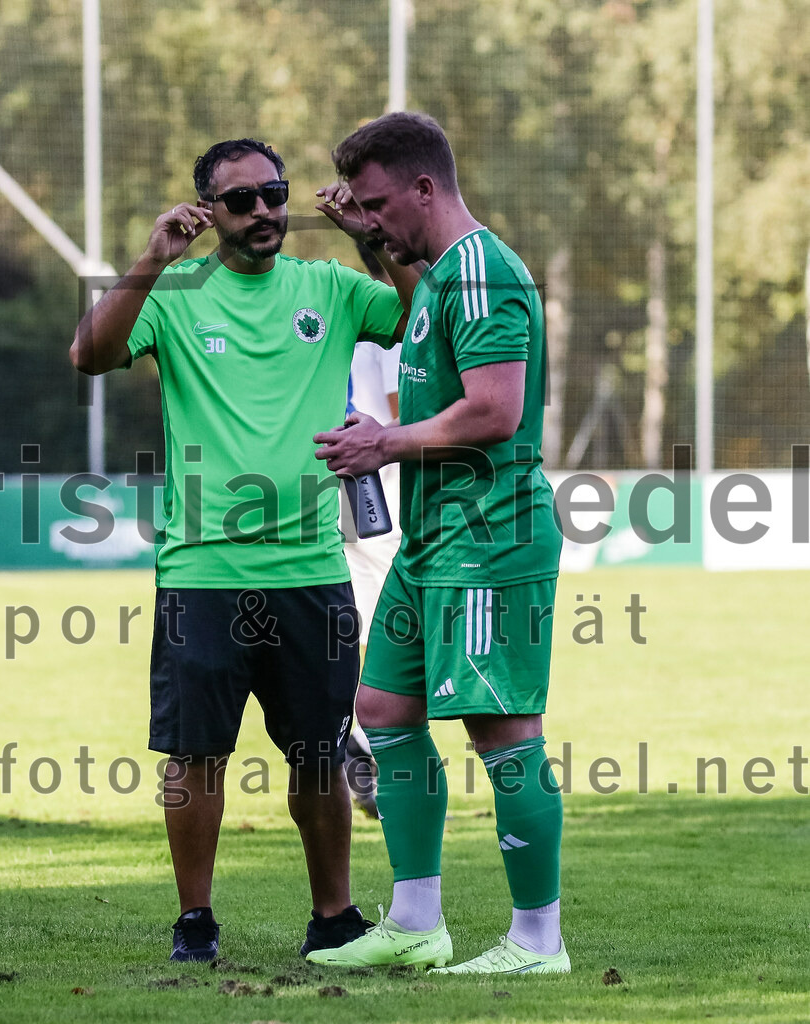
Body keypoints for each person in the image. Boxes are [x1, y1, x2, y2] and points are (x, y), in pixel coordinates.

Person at [70, 138, 421, 963]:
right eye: (241, 200)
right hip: (204, 570)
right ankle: (195, 920)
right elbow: (88, 354)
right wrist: (152, 259)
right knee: (195, 756)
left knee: (317, 753)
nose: (263, 210)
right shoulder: (175, 293)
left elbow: (418, 314)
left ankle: (332, 917)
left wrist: (368, 238)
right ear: (207, 213)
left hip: (309, 568)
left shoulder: (330, 288)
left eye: (274, 193)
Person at [306, 112, 568, 975]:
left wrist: (383, 441)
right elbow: (431, 344)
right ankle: (417, 922)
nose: (371, 217)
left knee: (502, 731)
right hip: (432, 540)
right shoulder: (442, 275)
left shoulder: (487, 271)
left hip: (490, 538)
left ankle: (538, 941)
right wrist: (370, 244)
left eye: (379, 204)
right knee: (381, 711)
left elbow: (493, 411)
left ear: (426, 187)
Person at [341, 242, 403, 819]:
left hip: (343, 475)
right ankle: (364, 741)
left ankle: (350, 737)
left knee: (352, 617)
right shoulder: (396, 321)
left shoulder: (346, 309)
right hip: (376, 481)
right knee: (388, 619)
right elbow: (400, 413)